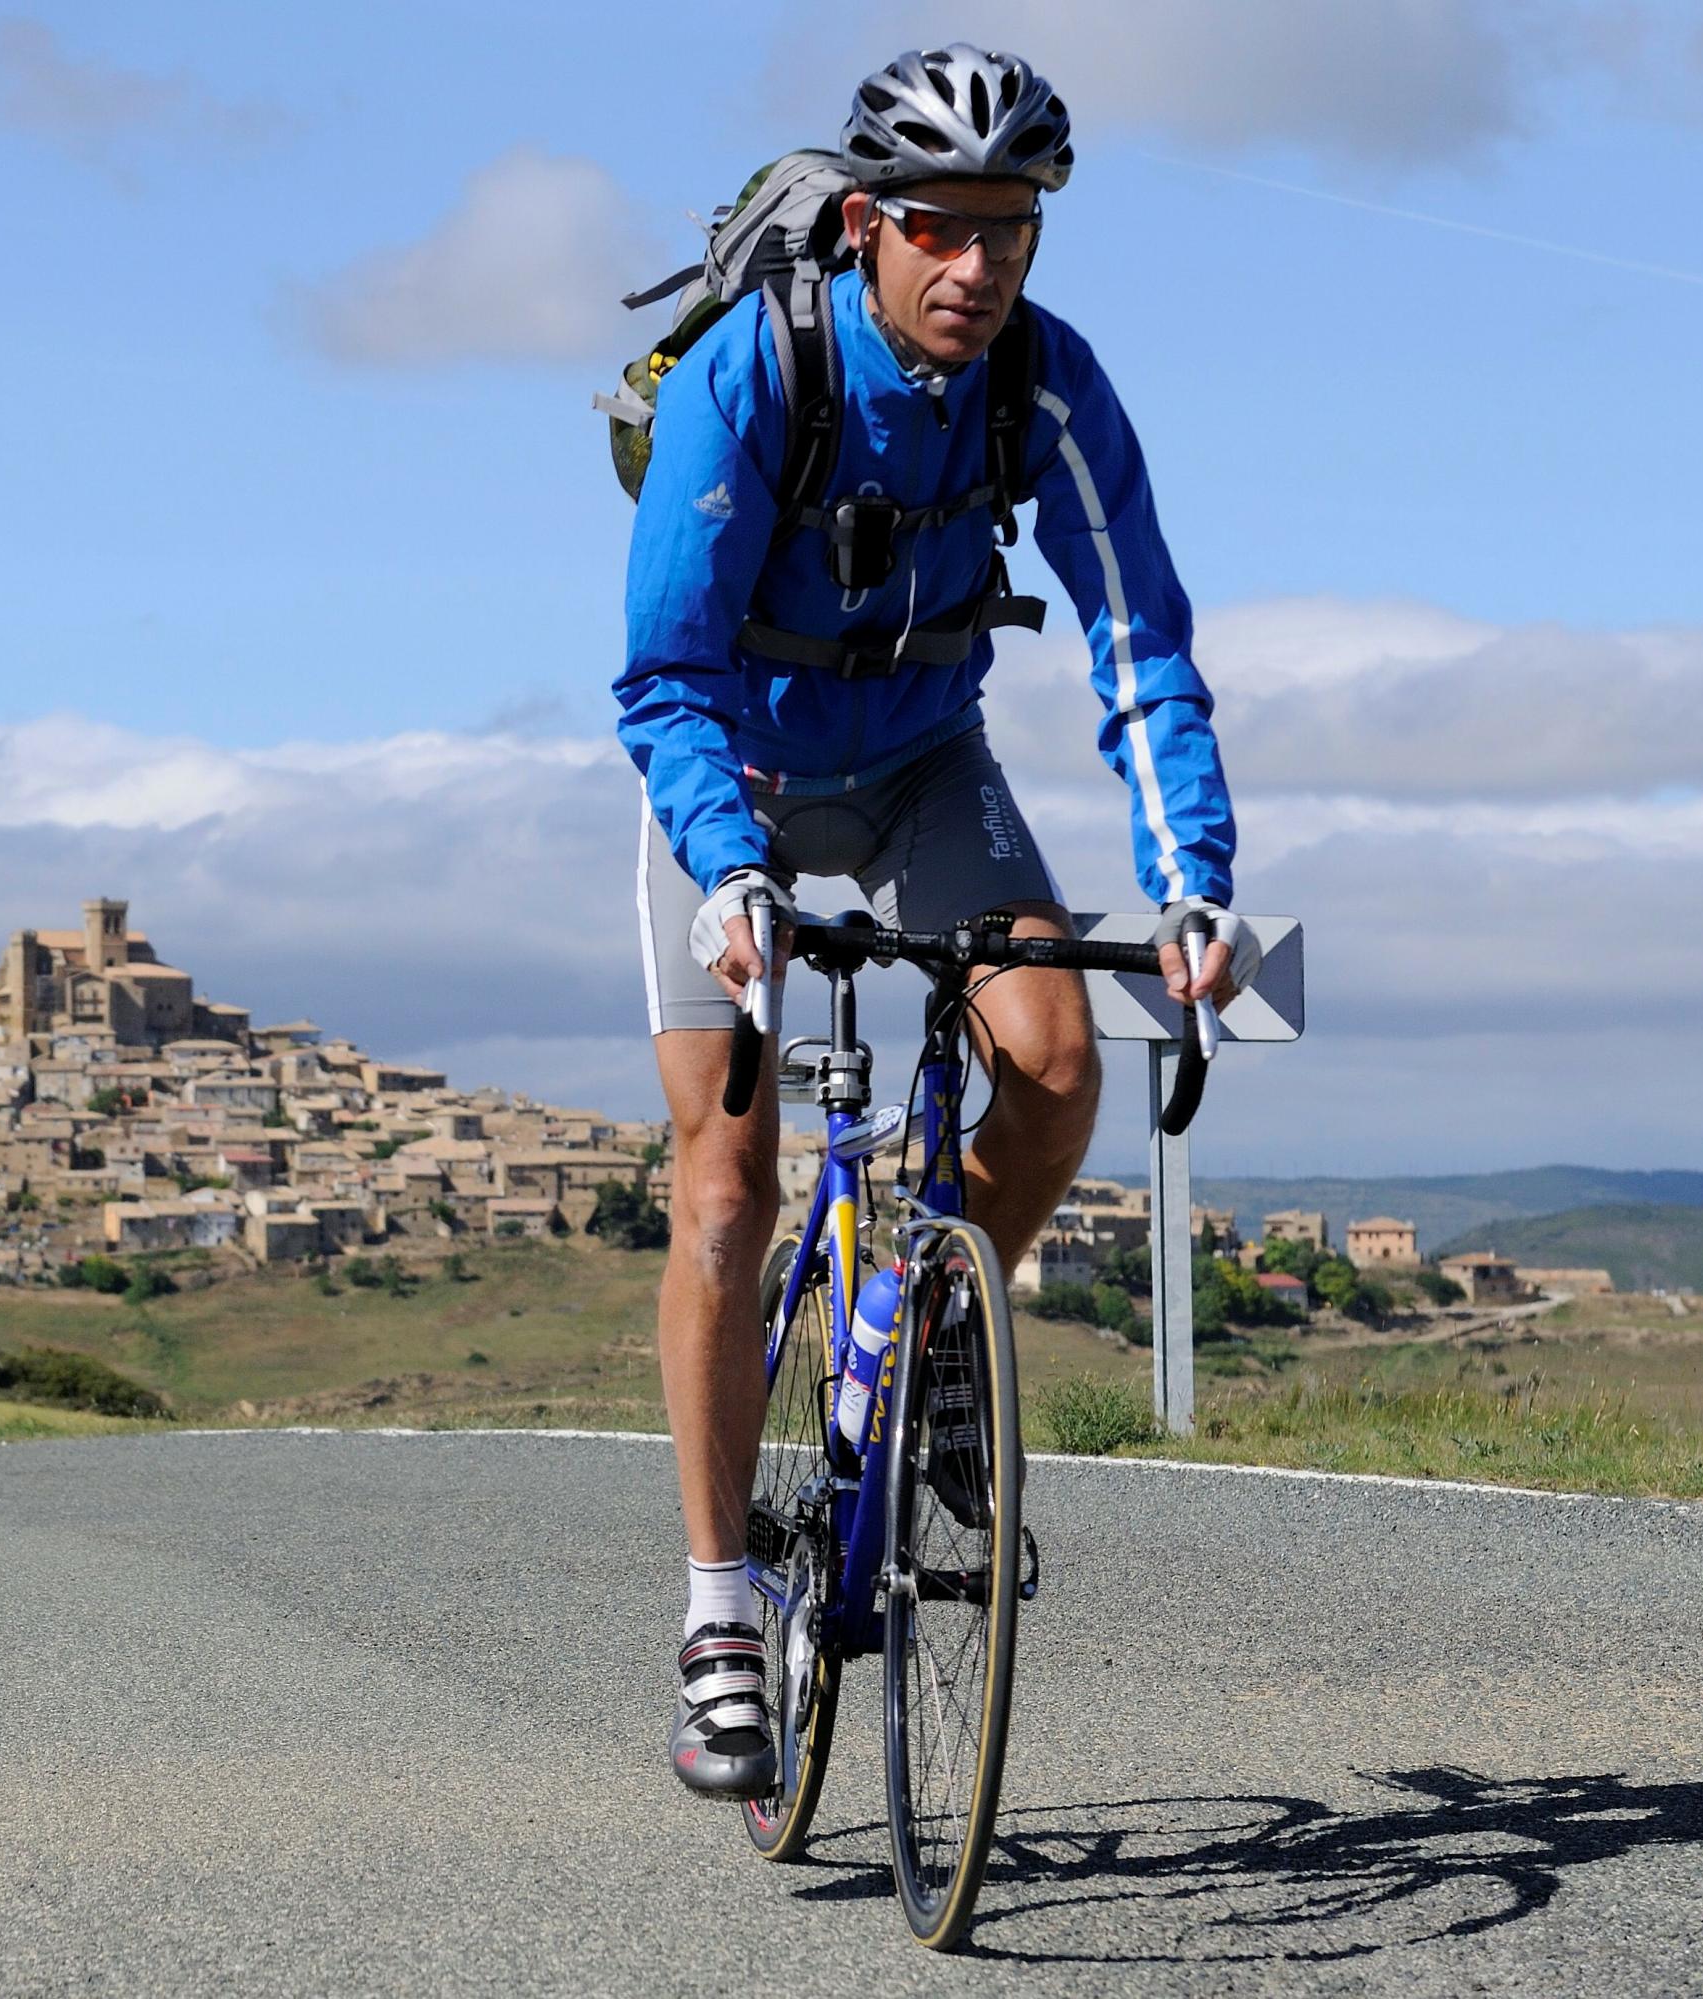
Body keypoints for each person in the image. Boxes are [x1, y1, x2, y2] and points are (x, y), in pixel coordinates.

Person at [616, 44, 1260, 1796]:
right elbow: (664, 673)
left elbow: (1141, 644)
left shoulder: (1046, 383)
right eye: (940, 226)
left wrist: (1192, 880)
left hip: (919, 761)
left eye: (1013, 229)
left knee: (1054, 1062)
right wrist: (730, 869)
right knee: (729, 1177)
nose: (977, 266)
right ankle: (720, 1614)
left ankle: (936, 1329)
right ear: (865, 222)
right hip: (729, 773)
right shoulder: (752, 375)